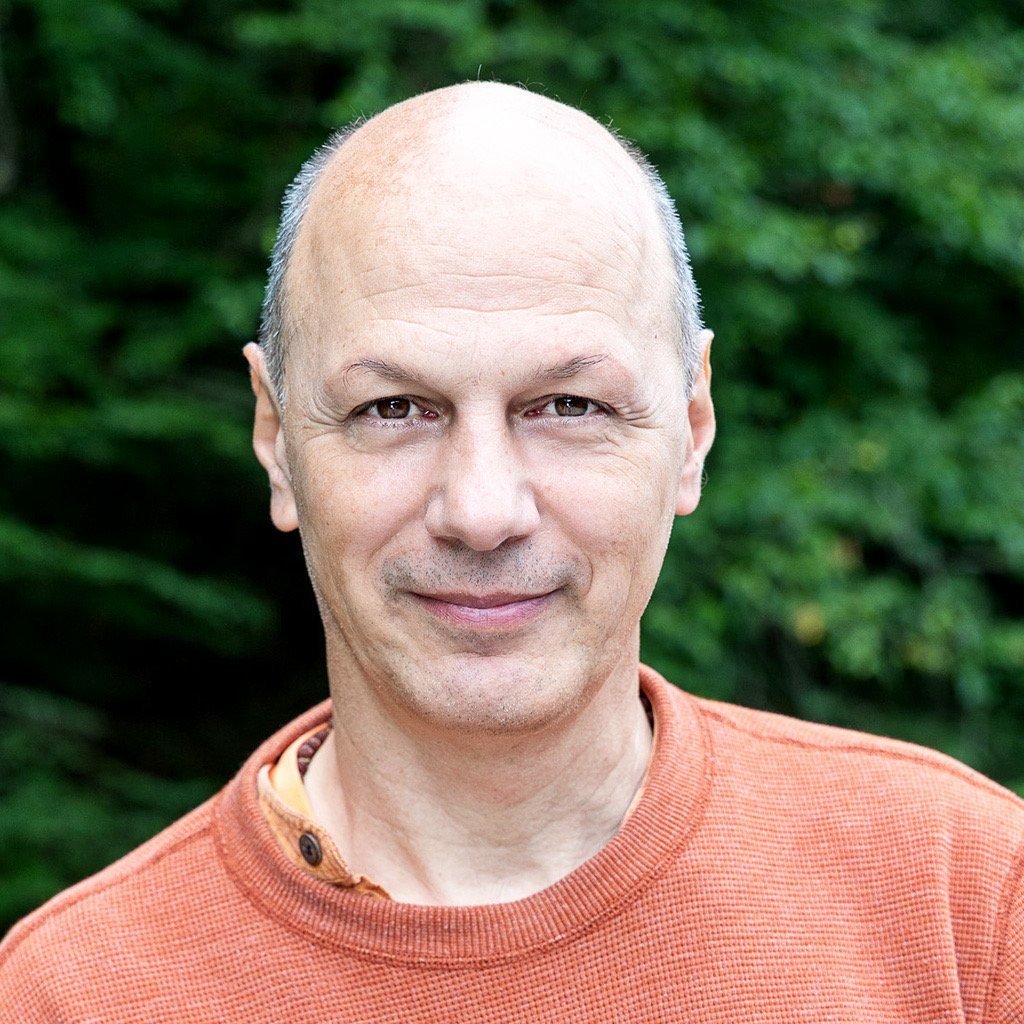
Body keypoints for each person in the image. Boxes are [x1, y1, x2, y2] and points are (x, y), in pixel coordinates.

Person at [1, 81, 1021, 1023]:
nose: (482, 510)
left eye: (567, 405)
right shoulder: (74, 993)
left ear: (693, 427)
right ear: (275, 438)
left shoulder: (964, 905)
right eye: (391, 407)